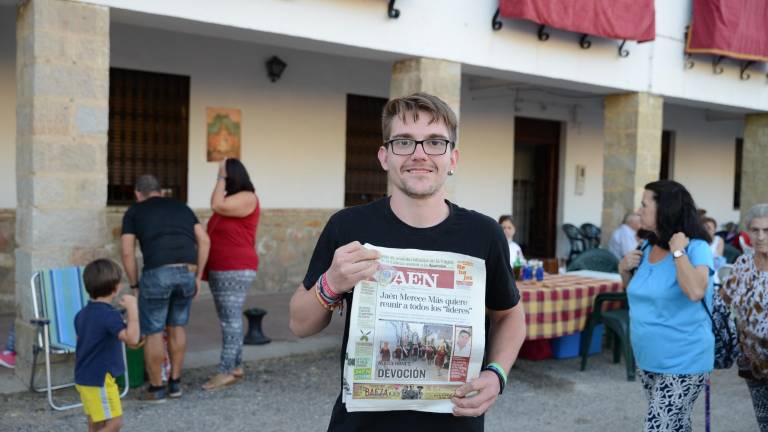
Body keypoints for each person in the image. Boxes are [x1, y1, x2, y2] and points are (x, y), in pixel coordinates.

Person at [288, 92, 526, 431]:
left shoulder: (484, 234)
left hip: (455, 422)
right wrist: (331, 284)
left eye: (434, 142)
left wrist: (497, 373)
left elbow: (510, 315)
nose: (419, 154)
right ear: (384, 157)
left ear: (452, 158)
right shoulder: (348, 226)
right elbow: (300, 324)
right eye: (404, 142)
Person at [619, 180, 714, 432]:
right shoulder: (646, 246)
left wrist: (678, 253)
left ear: (666, 209)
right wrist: (623, 270)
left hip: (684, 360)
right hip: (649, 358)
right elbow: (637, 294)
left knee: (658, 427)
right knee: (676, 426)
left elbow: (695, 291)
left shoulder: (697, 248)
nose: (639, 211)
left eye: (644, 204)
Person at [121, 174, 210, 402]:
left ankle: (157, 389)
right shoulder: (182, 207)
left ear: (138, 194)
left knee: (153, 330)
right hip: (187, 272)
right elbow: (205, 240)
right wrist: (198, 275)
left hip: (158, 272)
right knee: (177, 326)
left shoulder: (134, 211)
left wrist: (134, 285)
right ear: (159, 191)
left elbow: (127, 252)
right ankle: (175, 384)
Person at [201, 158, 260, 391]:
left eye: (225, 176)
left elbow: (216, 204)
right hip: (222, 268)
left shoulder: (248, 197)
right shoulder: (232, 201)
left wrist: (220, 176)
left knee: (230, 320)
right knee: (229, 319)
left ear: (232, 176)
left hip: (234, 268)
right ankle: (236, 367)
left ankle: (225, 371)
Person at [75, 259, 140, 432]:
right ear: (116, 287)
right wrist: (133, 309)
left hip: (84, 377)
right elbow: (132, 339)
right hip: (100, 380)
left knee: (95, 422)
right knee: (114, 423)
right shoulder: (110, 316)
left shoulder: (81, 315)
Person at [721, 203, 768, 430]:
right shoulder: (743, 263)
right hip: (752, 360)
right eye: (755, 230)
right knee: (764, 422)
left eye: (767, 231)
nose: (760, 236)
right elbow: (723, 300)